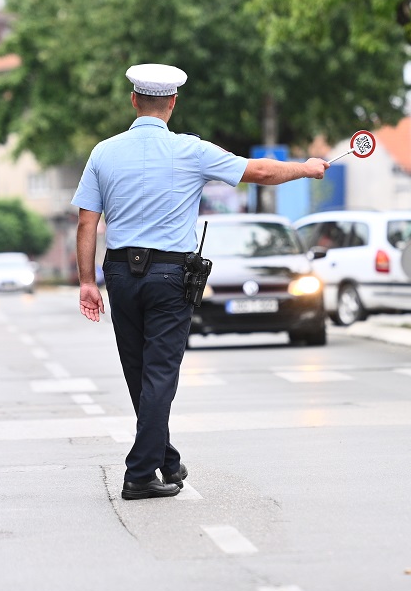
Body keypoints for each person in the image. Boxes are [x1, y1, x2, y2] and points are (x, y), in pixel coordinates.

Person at [73, 63, 329, 501]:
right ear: (172, 103)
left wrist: (86, 281)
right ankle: (139, 474)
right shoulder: (190, 151)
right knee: (159, 373)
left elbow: (86, 222)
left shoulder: (103, 152)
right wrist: (305, 169)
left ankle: (166, 459)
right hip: (170, 275)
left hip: (118, 273)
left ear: (134, 100)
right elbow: (261, 173)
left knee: (139, 373)